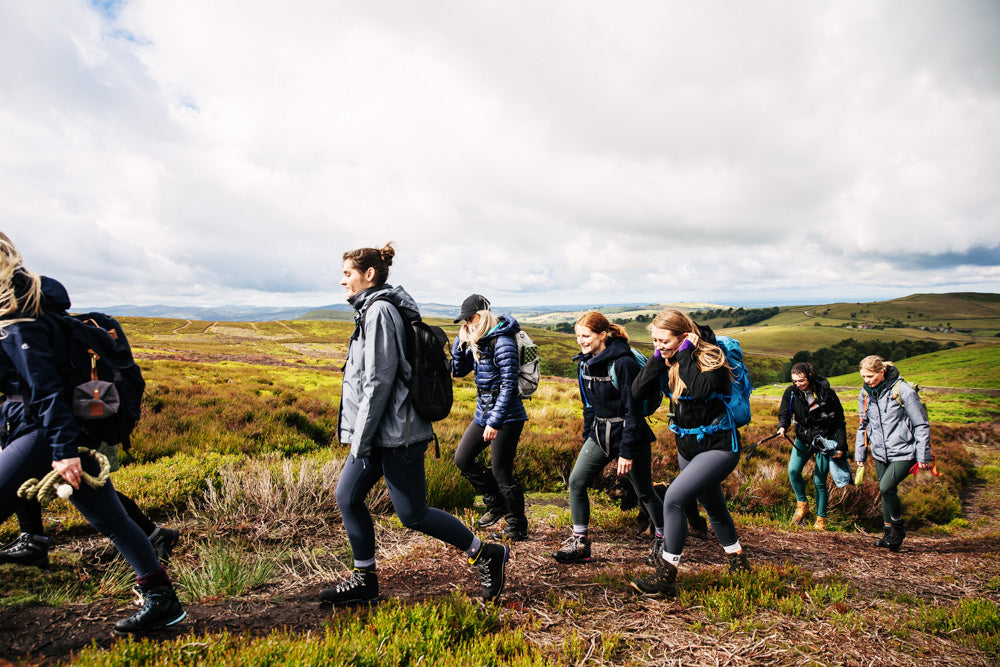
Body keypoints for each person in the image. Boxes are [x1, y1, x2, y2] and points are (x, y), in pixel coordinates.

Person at [0, 232, 184, 634]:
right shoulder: (27, 310)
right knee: (112, 520)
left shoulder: (17, 320)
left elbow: (45, 391)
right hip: (52, 431)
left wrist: (64, 450)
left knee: (111, 518)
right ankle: (162, 600)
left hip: (42, 433)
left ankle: (161, 598)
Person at [322, 244, 509, 606]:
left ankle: (485, 553)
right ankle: (364, 578)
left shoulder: (379, 312)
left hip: (396, 435)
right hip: (381, 432)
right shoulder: (371, 310)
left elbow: (379, 381)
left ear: (369, 274)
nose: (342, 280)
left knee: (413, 514)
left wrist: (360, 438)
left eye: (347, 273)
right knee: (347, 496)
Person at [629, 309, 749, 597]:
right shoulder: (665, 359)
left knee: (673, 499)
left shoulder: (712, 359)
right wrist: (658, 359)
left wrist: (684, 354)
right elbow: (637, 391)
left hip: (719, 447)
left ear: (684, 337)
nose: (658, 346)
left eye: (663, 341)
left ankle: (666, 576)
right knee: (714, 506)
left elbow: (700, 390)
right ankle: (738, 561)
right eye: (654, 341)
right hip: (688, 447)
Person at [551, 312, 665, 565]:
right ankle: (580, 543)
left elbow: (632, 411)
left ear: (602, 335)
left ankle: (664, 540)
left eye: (586, 335)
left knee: (644, 491)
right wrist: (587, 438)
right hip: (599, 434)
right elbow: (588, 406)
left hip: (629, 435)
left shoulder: (623, 364)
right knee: (577, 481)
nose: (581, 341)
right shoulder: (584, 363)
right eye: (578, 336)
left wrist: (626, 451)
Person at [450, 294, 529, 541]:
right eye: (464, 321)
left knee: (501, 470)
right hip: (483, 410)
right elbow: (458, 371)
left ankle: (517, 525)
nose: (468, 324)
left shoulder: (502, 341)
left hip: (507, 415)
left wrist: (495, 421)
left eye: (471, 319)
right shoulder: (477, 339)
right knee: (462, 459)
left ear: (483, 315)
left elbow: (508, 384)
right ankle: (496, 504)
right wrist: (459, 342)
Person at [855, 355, 931, 552]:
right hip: (880, 452)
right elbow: (863, 425)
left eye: (870, 376)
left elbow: (921, 424)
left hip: (905, 451)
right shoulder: (865, 394)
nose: (867, 381)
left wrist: (923, 456)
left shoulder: (903, 390)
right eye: (863, 377)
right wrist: (860, 454)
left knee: (886, 487)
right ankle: (888, 533)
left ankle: (898, 529)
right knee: (886, 492)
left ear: (882, 372)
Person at [0, 488, 179, 569]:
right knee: (88, 489)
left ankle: (33, 540)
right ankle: (32, 539)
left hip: (67, 433)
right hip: (63, 433)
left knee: (87, 488)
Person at [777, 362, 848, 531]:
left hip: (824, 440)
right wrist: (782, 426)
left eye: (801, 381)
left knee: (819, 481)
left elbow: (839, 420)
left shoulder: (827, 393)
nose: (798, 384)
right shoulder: (791, 392)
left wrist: (841, 445)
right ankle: (802, 504)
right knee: (793, 471)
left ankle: (821, 519)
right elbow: (784, 412)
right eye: (795, 381)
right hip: (803, 438)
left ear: (809, 376)